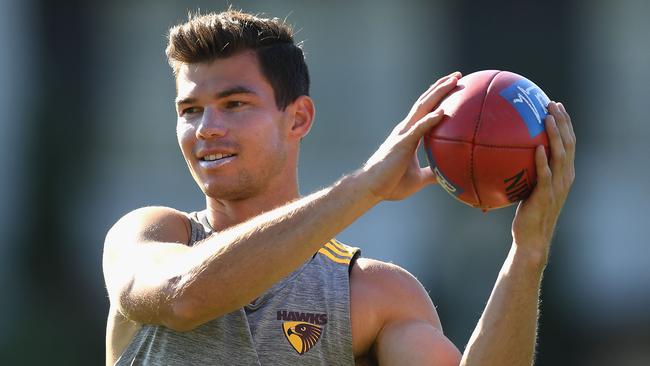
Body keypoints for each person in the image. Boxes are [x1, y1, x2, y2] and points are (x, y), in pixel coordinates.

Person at [102, 9, 576, 366]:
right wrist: (366, 186)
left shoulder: (371, 292)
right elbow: (187, 297)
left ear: (299, 117)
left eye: (234, 103)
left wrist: (528, 252)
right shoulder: (150, 235)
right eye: (190, 111)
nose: (206, 127)